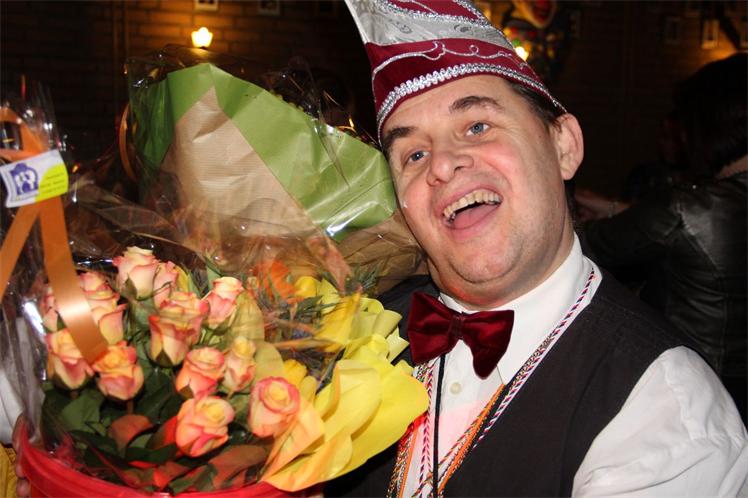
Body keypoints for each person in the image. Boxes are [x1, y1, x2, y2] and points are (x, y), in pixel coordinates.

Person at [326, 1, 748, 496]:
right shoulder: (354, 335)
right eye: (413, 154)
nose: (440, 165)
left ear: (564, 145)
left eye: (477, 126)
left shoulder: (664, 413)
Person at [577, 53, 748, 420]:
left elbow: (592, 245)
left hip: (696, 394)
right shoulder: (705, 205)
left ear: (708, 125)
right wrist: (614, 207)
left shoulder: (690, 208)